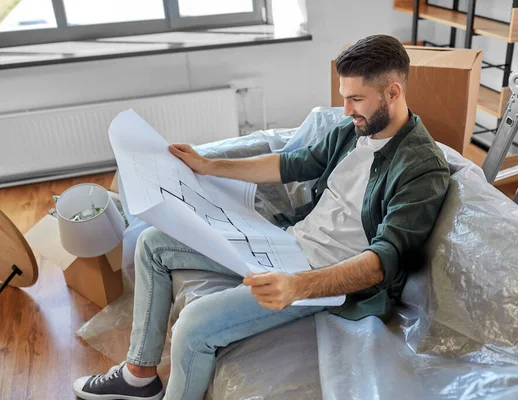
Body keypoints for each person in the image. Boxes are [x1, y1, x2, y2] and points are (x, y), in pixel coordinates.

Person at [73, 34, 450, 400]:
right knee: (152, 244)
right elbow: (293, 162)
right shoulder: (358, 129)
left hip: (323, 279)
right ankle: (139, 378)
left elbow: (383, 262)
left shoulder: (421, 168)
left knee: (193, 325)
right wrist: (208, 165)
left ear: (393, 93)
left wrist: (297, 287)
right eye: (344, 97)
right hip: (288, 242)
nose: (347, 109)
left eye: (356, 99)